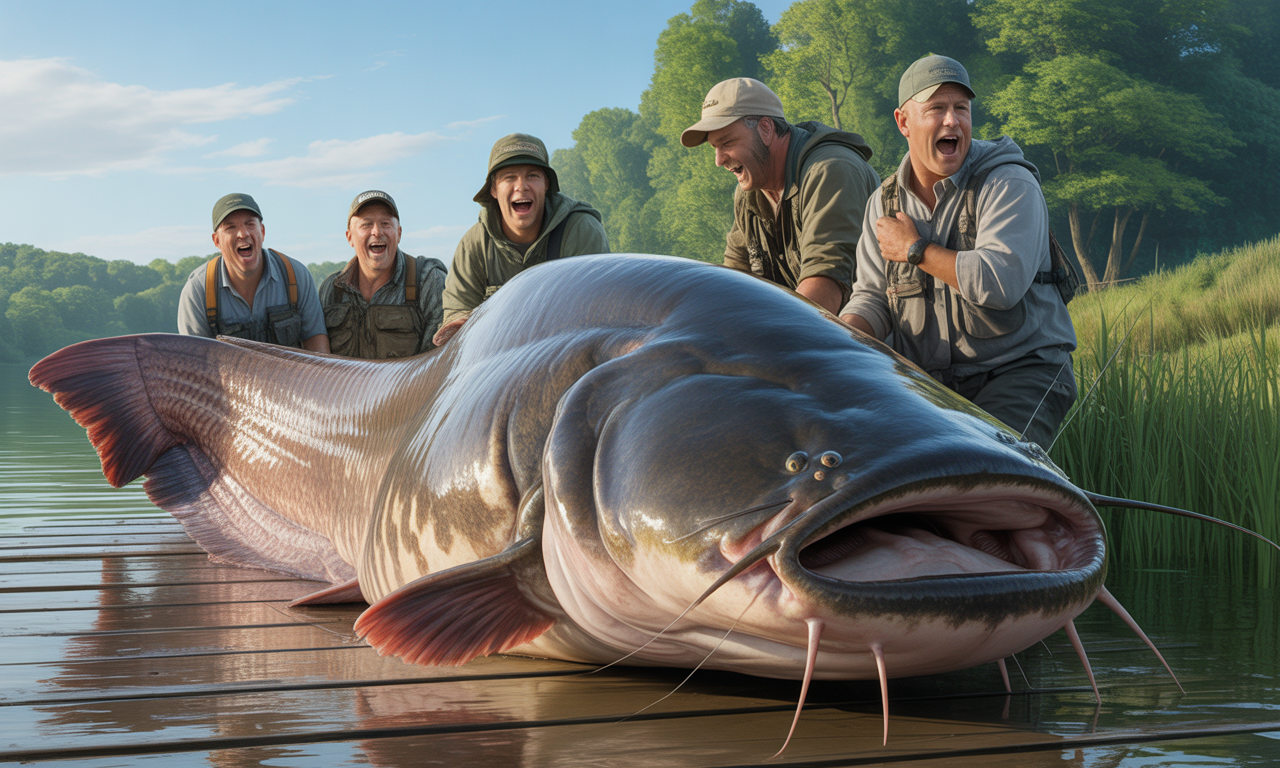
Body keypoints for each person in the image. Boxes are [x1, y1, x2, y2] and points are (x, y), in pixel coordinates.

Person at [838, 55, 1077, 447]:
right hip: (931, 387)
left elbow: (1000, 282)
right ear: (903, 122)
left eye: (961, 109)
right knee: (890, 477)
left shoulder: (1009, 182)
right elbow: (872, 298)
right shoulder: (882, 203)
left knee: (988, 470)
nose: (953, 121)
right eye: (937, 109)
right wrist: (840, 340)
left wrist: (915, 248)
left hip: (1022, 370)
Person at [681, 77, 879, 316]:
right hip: (809, 336)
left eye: (727, 143)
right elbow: (732, 281)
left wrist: (762, 345)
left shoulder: (829, 170)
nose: (719, 160)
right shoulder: (749, 193)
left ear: (766, 129)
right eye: (715, 148)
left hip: (876, 341)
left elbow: (826, 285)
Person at [434, 133, 609, 345]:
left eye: (532, 176)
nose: (521, 186)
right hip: (494, 358)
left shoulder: (580, 230)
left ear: (546, 184)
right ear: (493, 189)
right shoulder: (474, 244)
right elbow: (455, 318)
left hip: (566, 352)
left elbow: (599, 316)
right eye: (509, 177)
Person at [177, 193, 329, 351]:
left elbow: (317, 343)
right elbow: (194, 361)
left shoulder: (297, 276)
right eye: (231, 227)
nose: (243, 234)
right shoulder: (197, 291)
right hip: (228, 377)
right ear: (217, 241)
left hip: (291, 376)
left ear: (262, 231)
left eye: (250, 224)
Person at [319, 191, 448, 358]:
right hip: (344, 385)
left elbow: (439, 362)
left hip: (411, 385)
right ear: (349, 237)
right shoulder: (331, 289)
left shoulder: (428, 280)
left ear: (399, 233)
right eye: (366, 224)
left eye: (386, 223)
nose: (377, 232)